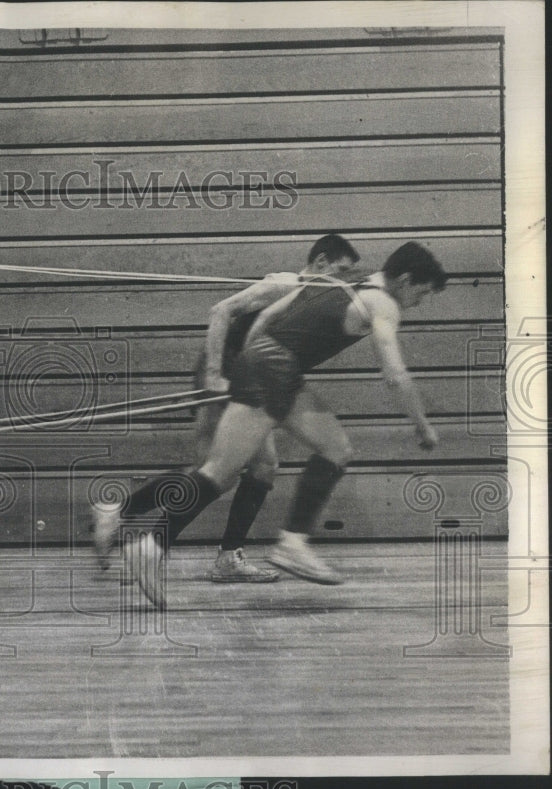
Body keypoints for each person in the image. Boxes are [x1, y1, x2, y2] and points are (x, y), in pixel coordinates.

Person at [110, 241, 447, 608]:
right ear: (406, 280)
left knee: (334, 449)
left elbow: (268, 318)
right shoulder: (383, 303)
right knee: (218, 472)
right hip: (275, 369)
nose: (420, 303)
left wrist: (251, 363)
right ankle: (155, 546)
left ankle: (291, 542)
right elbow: (395, 375)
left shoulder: (344, 280)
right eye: (423, 294)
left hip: (270, 363)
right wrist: (422, 425)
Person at [91, 234, 361, 582]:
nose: (343, 281)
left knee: (260, 467)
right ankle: (119, 513)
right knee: (215, 469)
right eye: (340, 271)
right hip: (226, 372)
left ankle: (225, 557)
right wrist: (216, 374)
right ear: (321, 263)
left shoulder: (314, 296)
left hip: (250, 378)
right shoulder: (285, 285)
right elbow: (221, 311)